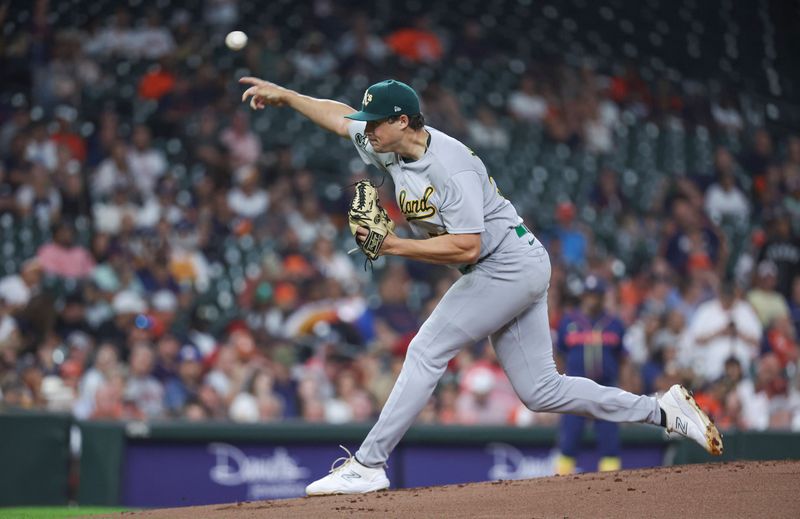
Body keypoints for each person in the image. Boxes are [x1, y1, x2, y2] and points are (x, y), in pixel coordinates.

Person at [239, 76, 723, 495]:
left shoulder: (451, 167)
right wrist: (287, 96)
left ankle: (368, 464)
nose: (368, 128)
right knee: (541, 390)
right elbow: (340, 116)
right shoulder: (385, 141)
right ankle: (662, 410)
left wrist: (392, 247)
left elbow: (467, 247)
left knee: (426, 349)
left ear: (404, 121)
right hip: (511, 264)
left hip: (504, 263)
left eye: (377, 121)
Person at [555, 275, 627, 475]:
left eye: (596, 295)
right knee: (568, 443)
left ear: (603, 296)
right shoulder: (568, 321)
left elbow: (623, 359)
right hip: (574, 389)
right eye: (588, 294)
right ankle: (558, 489)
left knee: (610, 444)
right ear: (583, 296)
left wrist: (624, 386)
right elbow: (558, 354)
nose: (591, 299)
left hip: (606, 387)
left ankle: (612, 490)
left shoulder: (614, 323)